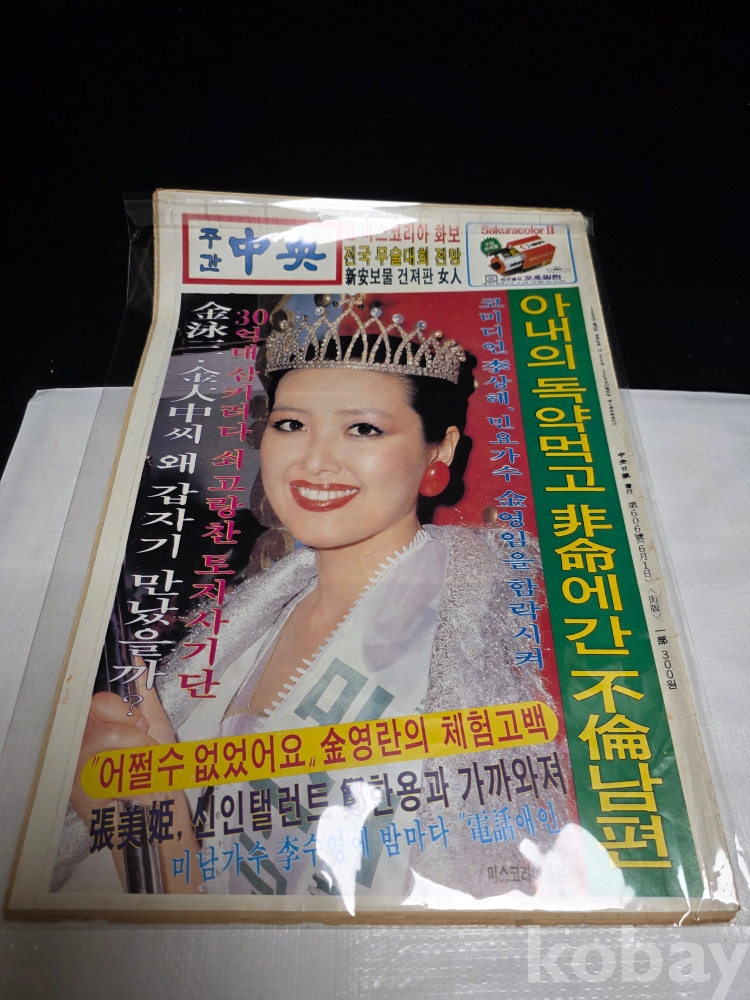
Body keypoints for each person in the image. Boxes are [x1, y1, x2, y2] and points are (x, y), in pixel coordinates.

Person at [57, 299, 575, 903]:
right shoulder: (255, 616)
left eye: (364, 429)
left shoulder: (489, 640)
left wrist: (152, 840)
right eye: (290, 425)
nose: (315, 462)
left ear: (440, 450)